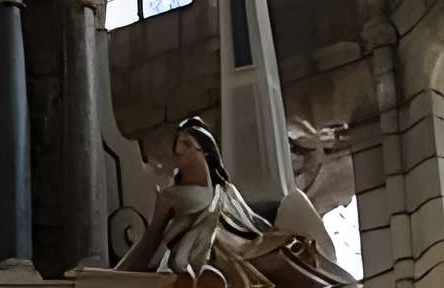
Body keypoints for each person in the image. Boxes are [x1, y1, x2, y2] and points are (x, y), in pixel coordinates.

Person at [110, 119, 352, 288]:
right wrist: (111, 280)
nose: (179, 152)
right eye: (178, 148)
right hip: (190, 260)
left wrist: (280, 238)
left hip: (240, 252)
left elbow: (251, 224)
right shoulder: (170, 196)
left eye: (186, 145)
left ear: (205, 151)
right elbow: (150, 240)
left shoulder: (226, 191)